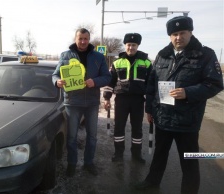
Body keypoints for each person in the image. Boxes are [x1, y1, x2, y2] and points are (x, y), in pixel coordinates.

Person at [135, 16, 223, 194]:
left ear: (190, 32)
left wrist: (188, 92)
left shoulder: (205, 54)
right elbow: (151, 84)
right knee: (159, 154)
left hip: (187, 121)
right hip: (163, 117)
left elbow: (215, 84)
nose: (178, 37)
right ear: (169, 36)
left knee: (189, 160)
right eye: (174, 34)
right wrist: (149, 109)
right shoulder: (162, 55)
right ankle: (152, 181)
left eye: (182, 33)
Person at [52, 28, 111, 177]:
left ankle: (88, 163)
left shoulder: (98, 57)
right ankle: (72, 164)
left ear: (89, 39)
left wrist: (95, 81)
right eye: (80, 38)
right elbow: (55, 75)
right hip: (72, 102)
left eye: (86, 38)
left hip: (91, 103)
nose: (83, 41)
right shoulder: (65, 55)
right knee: (71, 137)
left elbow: (107, 77)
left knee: (92, 136)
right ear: (75, 38)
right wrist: (57, 82)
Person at [103, 33, 152, 163]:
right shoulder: (117, 62)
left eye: (134, 45)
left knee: (137, 128)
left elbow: (151, 84)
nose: (131, 47)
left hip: (138, 100)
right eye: (129, 45)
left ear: (138, 46)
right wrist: (107, 98)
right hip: (121, 100)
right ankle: (118, 154)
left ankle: (136, 155)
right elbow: (110, 82)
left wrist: (151, 105)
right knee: (119, 127)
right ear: (125, 45)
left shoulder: (146, 62)